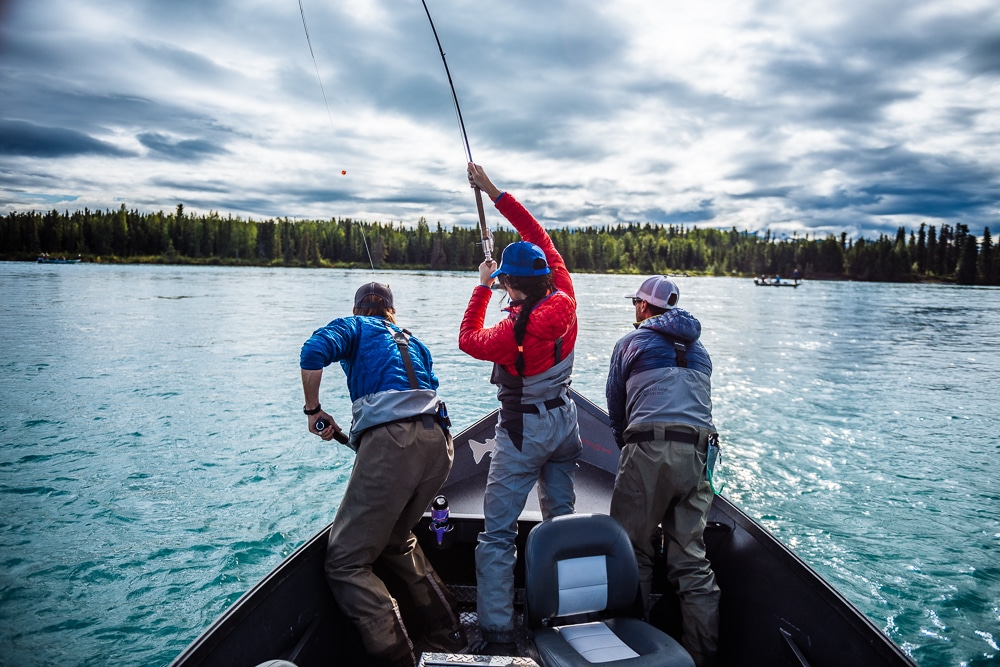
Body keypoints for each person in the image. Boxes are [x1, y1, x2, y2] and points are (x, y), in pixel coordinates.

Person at [300, 282, 464, 667]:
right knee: (395, 538)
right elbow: (419, 394)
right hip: (440, 441)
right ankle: (450, 630)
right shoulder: (413, 341)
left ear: (358, 309)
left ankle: (398, 659)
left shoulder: (354, 327)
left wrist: (313, 410)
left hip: (396, 445)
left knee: (345, 563)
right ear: (391, 310)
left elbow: (312, 352)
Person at [458, 162, 582, 655]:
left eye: (506, 283)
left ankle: (496, 634)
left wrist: (481, 286)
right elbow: (537, 233)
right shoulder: (565, 293)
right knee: (563, 521)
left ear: (512, 285)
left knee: (497, 537)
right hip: (566, 423)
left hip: (523, 431)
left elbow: (468, 339)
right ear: (545, 277)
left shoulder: (512, 333)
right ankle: (567, 616)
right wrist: (493, 191)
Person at [605, 276, 721, 667]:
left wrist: (632, 453)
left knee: (631, 551)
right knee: (691, 560)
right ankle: (702, 656)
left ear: (642, 307)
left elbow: (617, 407)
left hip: (650, 448)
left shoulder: (631, 343)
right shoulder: (701, 350)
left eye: (635, 302)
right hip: (699, 454)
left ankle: (634, 654)